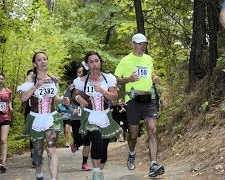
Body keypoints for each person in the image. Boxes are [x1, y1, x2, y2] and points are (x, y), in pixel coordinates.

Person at [114, 33, 164, 177]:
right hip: (133, 100)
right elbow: (116, 80)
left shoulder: (149, 59)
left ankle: (153, 164)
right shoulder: (125, 60)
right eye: (140, 44)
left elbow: (151, 74)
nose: (143, 46)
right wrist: (129, 78)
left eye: (144, 44)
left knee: (153, 130)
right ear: (133, 44)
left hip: (149, 99)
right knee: (133, 134)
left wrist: (154, 78)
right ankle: (131, 152)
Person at [17, 51, 70, 180]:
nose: (43, 62)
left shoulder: (53, 79)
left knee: (51, 148)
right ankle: (39, 173)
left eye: (45, 59)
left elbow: (55, 97)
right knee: (38, 151)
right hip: (36, 118)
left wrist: (62, 100)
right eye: (39, 60)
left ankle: (53, 178)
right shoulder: (31, 79)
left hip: (51, 117)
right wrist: (36, 86)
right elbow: (23, 98)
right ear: (34, 64)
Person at [72, 51, 123, 179]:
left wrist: (102, 91)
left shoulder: (108, 78)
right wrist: (78, 97)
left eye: (96, 61)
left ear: (100, 62)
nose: (94, 64)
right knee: (97, 139)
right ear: (87, 65)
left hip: (105, 116)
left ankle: (99, 172)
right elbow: (74, 94)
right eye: (91, 62)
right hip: (89, 116)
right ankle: (96, 172)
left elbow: (115, 96)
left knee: (103, 147)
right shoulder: (81, 80)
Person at [62, 61, 92, 171]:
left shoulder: (90, 84)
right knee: (79, 141)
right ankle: (75, 143)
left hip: (88, 116)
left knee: (87, 140)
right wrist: (71, 109)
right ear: (75, 74)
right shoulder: (72, 86)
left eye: (83, 72)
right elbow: (65, 101)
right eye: (79, 72)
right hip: (76, 117)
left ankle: (84, 163)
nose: (81, 74)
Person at [20, 69, 35, 163]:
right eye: (29, 76)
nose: (31, 77)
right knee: (32, 134)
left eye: (33, 76)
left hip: (39, 112)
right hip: (29, 112)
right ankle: (34, 154)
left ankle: (37, 153)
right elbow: (22, 100)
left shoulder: (39, 85)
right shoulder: (25, 87)